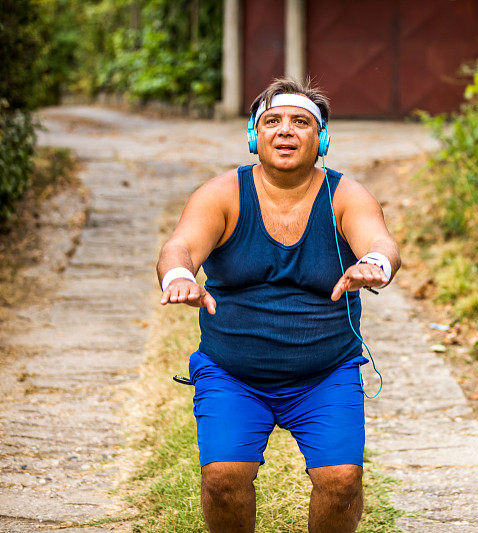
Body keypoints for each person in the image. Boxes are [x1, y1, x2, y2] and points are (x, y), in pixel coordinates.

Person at [156, 77, 400, 533]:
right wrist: (180, 276)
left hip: (325, 374)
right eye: (273, 121)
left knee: (343, 481)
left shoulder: (346, 195)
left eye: (301, 122)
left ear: (321, 137)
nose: (285, 130)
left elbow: (381, 242)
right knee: (223, 478)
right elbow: (179, 246)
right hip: (233, 373)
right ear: (254, 135)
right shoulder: (222, 194)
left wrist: (375, 263)